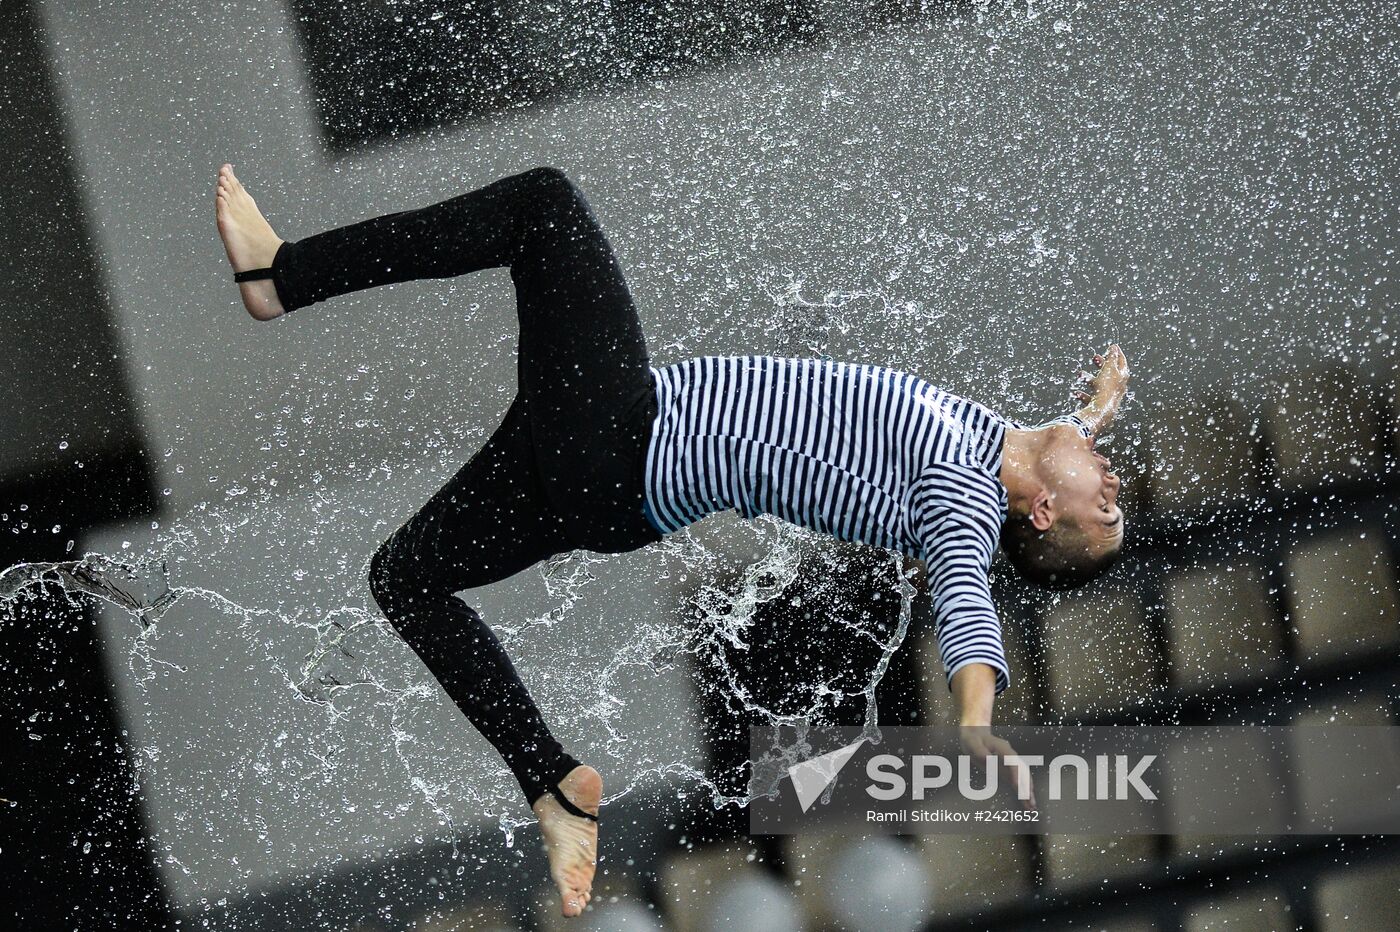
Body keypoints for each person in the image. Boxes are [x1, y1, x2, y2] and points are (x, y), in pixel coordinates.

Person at [215, 163, 1128, 917]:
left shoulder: (962, 508)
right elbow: (1061, 458)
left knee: (545, 207)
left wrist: (972, 727)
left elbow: (969, 610)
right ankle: (550, 780)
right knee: (402, 578)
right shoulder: (995, 446)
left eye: (1106, 509)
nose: (1113, 480)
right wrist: (1092, 412)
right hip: (606, 487)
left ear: (1041, 514)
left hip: (623, 436)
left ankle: (280, 274)